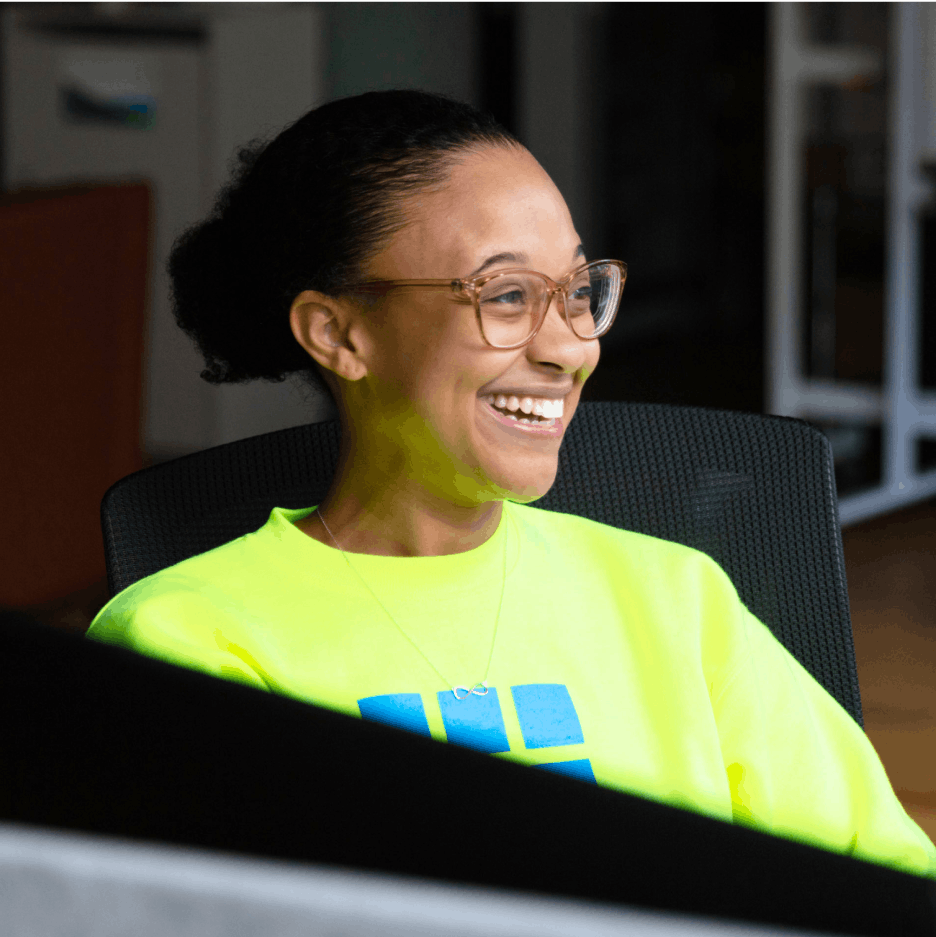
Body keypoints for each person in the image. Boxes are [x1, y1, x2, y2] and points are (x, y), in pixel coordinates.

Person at [87, 89, 936, 880]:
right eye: (504, 296)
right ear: (339, 333)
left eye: (577, 291)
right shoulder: (189, 639)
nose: (569, 346)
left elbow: (887, 880)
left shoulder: (678, 597)